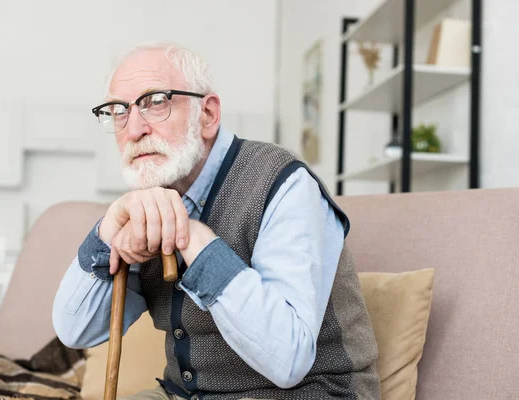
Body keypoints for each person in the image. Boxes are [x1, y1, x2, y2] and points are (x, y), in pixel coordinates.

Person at [52, 43, 379, 400]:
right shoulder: (150, 198)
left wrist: (189, 237)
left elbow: (289, 360)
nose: (133, 130)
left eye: (157, 102)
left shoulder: (284, 183)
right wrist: (108, 228)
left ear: (207, 114)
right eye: (118, 111)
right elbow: (75, 331)